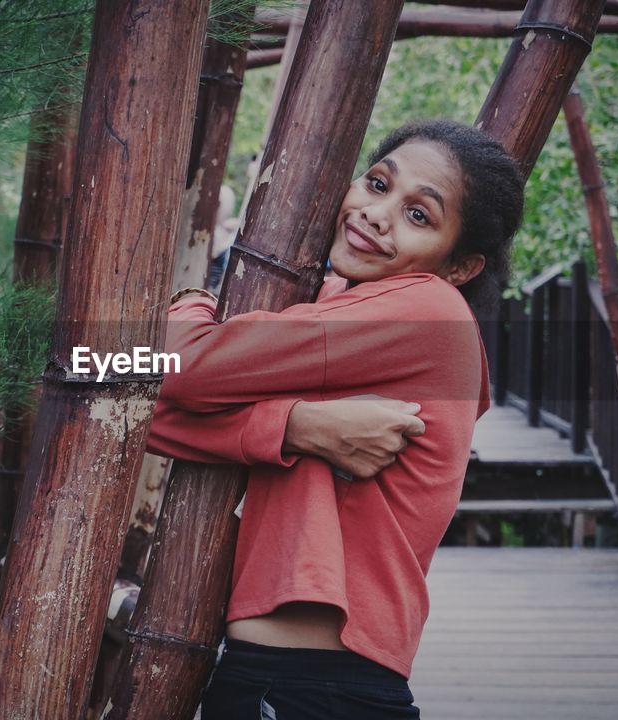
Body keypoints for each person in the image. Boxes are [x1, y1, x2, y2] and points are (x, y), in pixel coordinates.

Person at [145, 119, 524, 719]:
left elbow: (168, 367)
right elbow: (141, 408)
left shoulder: (427, 311)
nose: (377, 214)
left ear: (460, 268)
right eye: (377, 184)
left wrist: (189, 302)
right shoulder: (337, 310)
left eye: (419, 215)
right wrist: (294, 428)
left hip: (311, 684)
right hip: (292, 680)